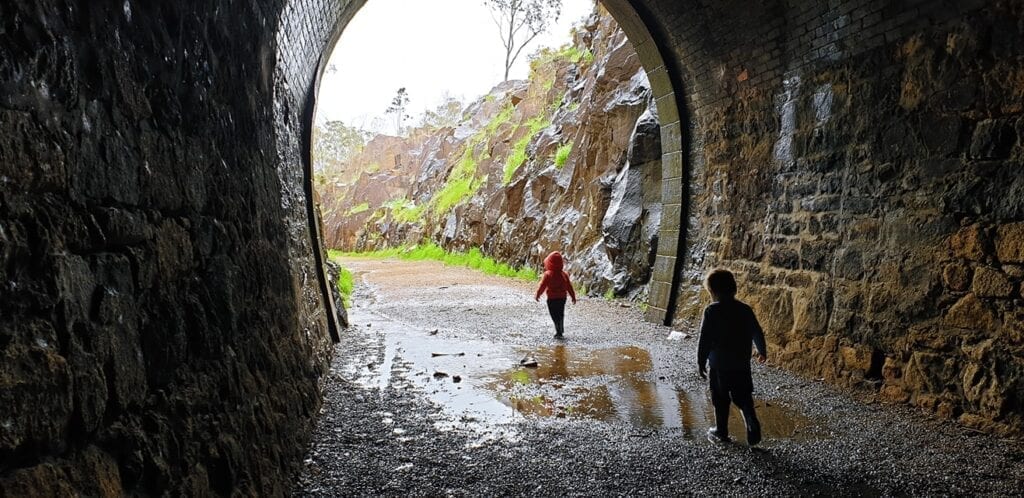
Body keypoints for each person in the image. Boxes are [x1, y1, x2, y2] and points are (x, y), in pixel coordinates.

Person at [696, 268, 768, 445]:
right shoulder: (745, 310)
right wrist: (761, 350)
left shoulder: (711, 311)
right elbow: (756, 331)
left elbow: (704, 339)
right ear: (734, 289)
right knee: (743, 396)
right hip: (741, 364)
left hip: (719, 365)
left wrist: (700, 361)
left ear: (712, 291)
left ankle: (721, 431)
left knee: (720, 398)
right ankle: (751, 421)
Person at [535, 251, 577, 339]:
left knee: (553, 314)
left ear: (549, 263)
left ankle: (558, 329)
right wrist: (573, 296)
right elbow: (569, 286)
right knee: (560, 313)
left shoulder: (547, 274)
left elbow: (542, 285)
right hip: (562, 298)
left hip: (552, 299)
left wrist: (538, 294)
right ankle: (560, 328)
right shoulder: (564, 274)